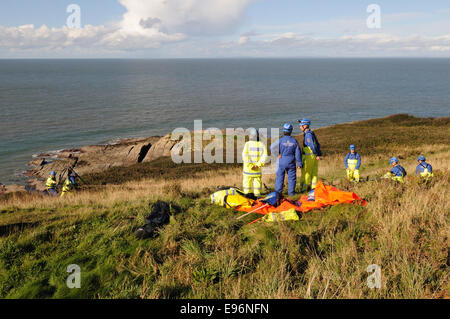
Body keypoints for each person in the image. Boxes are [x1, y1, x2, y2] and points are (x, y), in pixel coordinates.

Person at [270, 123, 302, 196]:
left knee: (280, 178)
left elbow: (271, 147)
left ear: (283, 131)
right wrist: (299, 163)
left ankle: (278, 194)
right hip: (291, 161)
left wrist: (276, 155)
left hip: (281, 160)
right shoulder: (294, 141)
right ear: (291, 131)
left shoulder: (280, 140)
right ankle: (291, 193)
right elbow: (298, 153)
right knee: (292, 178)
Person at [242, 128, 268, 197]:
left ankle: (247, 197)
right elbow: (264, 156)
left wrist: (250, 165)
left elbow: (245, 156)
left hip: (248, 170)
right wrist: (257, 165)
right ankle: (257, 197)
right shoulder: (261, 144)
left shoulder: (247, 144)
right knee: (257, 184)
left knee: (247, 184)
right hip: (257, 170)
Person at [298, 118, 322, 191]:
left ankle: (304, 189)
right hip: (313, 156)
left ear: (305, 126)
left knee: (306, 172)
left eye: (301, 125)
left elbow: (312, 145)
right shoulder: (311, 133)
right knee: (314, 172)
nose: (299, 127)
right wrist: (318, 154)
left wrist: (316, 153)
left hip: (309, 156)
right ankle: (314, 188)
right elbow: (317, 144)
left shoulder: (308, 135)